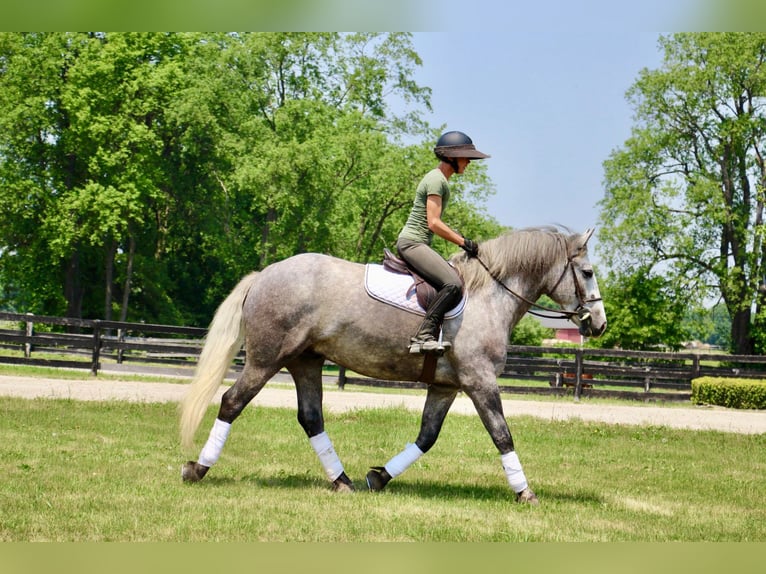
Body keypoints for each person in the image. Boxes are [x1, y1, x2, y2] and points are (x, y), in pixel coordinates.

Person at [396, 130, 490, 354]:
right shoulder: (437, 180)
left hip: (418, 243)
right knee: (453, 284)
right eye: (466, 157)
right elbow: (434, 223)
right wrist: (463, 242)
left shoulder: (440, 180)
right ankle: (423, 335)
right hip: (412, 243)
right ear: (452, 157)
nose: (468, 162)